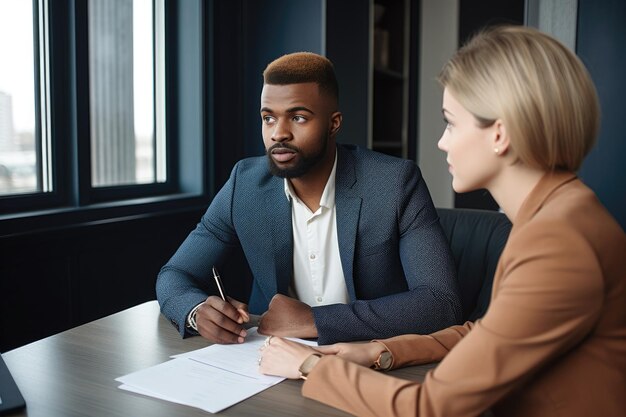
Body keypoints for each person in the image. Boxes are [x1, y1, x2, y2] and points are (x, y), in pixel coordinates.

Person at [258, 26, 626, 417]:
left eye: (451, 123)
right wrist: (381, 350)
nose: (441, 142)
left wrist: (311, 365)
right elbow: (489, 333)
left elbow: (434, 408)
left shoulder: (558, 243)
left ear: (500, 134)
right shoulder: (557, 217)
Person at [156, 52, 461, 346]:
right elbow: (175, 274)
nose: (278, 133)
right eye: (268, 118)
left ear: (334, 123)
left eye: (298, 117)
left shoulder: (394, 183)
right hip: (268, 362)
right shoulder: (245, 185)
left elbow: (440, 302)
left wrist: (317, 320)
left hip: (365, 361)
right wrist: (196, 312)